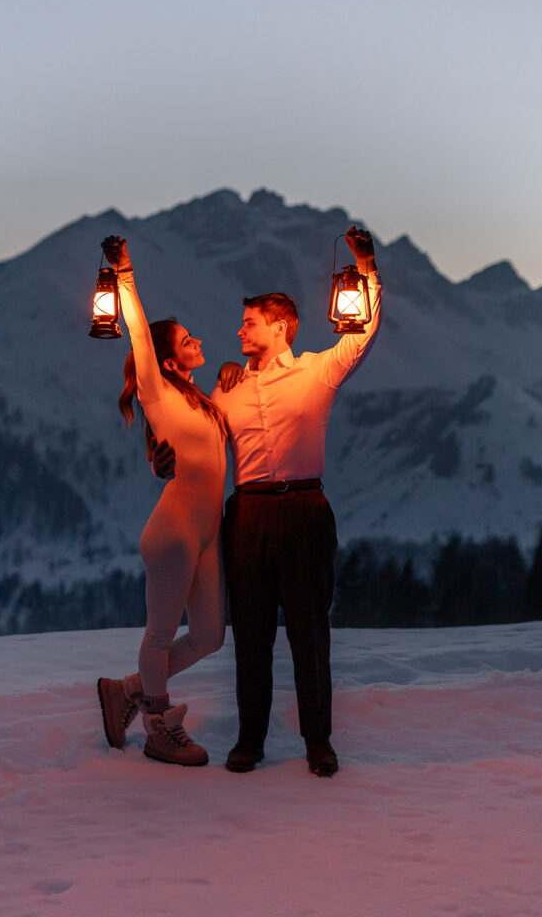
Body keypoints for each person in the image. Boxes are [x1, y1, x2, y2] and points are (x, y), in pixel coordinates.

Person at [154, 225, 382, 777]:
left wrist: (367, 269)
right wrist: (162, 459)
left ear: (279, 326)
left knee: (310, 633)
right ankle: (249, 741)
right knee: (251, 635)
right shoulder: (225, 389)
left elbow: (363, 333)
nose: (238, 329)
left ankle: (318, 742)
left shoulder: (316, 371)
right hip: (248, 515)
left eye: (248, 322)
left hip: (305, 510)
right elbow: (188, 431)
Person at [96, 236, 227, 766]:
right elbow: (138, 334)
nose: (196, 341)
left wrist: (231, 380)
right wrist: (124, 274)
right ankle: (158, 729)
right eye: (187, 340)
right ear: (168, 362)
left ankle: (126, 690)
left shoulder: (203, 403)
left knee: (212, 636)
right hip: (173, 530)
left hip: (206, 532)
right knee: (161, 634)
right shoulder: (159, 391)